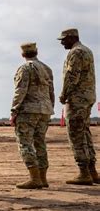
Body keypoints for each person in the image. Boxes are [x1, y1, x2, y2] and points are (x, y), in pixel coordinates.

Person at [9, 42, 54, 189]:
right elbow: (51, 92)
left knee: (25, 143)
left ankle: (34, 178)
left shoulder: (25, 68)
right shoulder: (46, 68)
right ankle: (42, 177)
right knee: (40, 143)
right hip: (45, 110)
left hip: (28, 111)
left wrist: (14, 111)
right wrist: (50, 107)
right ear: (36, 52)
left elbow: (20, 91)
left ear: (23, 54)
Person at [58, 28, 99, 185]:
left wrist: (64, 94)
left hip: (77, 99)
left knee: (76, 134)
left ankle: (84, 173)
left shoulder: (76, 52)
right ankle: (92, 171)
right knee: (85, 133)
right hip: (87, 97)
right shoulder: (87, 50)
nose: (62, 43)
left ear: (71, 38)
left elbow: (72, 76)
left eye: (63, 39)